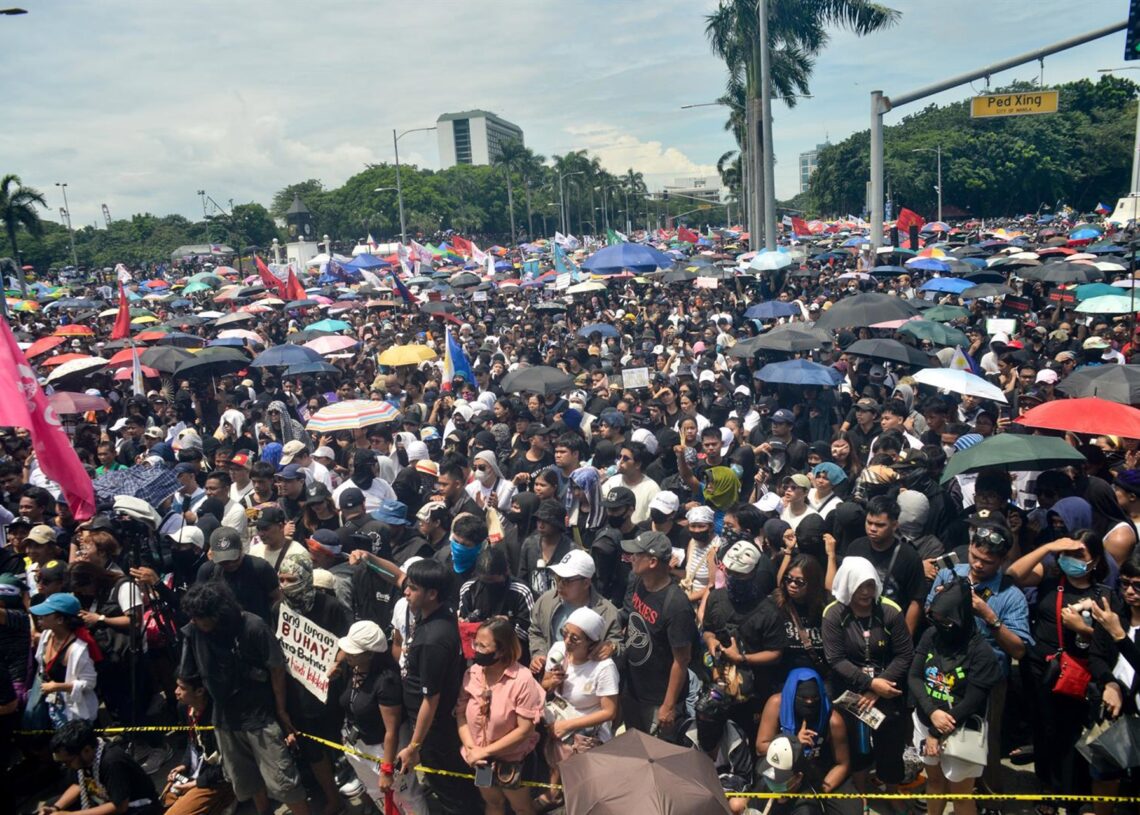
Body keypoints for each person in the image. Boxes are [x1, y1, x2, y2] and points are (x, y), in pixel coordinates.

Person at [179, 581, 311, 815]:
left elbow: (276, 669)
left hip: (260, 718)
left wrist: (281, 711)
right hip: (225, 721)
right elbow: (188, 675)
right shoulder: (195, 632)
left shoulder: (253, 626)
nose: (195, 622)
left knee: (284, 783)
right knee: (247, 781)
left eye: (200, 618)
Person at [1007, 530, 1112, 803]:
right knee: (1043, 731)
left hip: (1078, 675)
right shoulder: (1050, 581)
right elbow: (1015, 574)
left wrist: (1084, 630)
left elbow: (1113, 641)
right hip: (1040, 670)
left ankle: (1073, 793)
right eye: (1066, 554)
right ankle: (1048, 791)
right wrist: (1049, 547)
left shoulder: (1102, 595)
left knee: (1071, 735)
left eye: (1079, 555)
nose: (1070, 560)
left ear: (1095, 560)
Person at [822, 556, 914, 795]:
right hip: (850, 690)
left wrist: (877, 688)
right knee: (857, 744)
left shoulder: (889, 611)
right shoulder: (833, 614)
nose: (865, 592)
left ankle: (892, 789)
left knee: (891, 742)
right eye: (859, 586)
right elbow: (835, 659)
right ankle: (861, 791)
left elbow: (904, 654)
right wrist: (868, 683)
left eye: (870, 585)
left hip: (886, 686)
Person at [909, 580, 1002, 815]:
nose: (940, 625)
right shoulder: (931, 635)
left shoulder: (981, 652)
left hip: (959, 729)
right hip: (926, 720)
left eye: (946, 621)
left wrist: (937, 731)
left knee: (961, 795)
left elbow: (973, 700)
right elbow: (915, 676)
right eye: (935, 619)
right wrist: (931, 713)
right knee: (934, 782)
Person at [396, 558, 468, 815]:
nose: (405, 592)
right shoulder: (442, 613)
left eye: (412, 588)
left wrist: (414, 746)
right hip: (436, 724)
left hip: (434, 730)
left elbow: (431, 699)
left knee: (448, 788)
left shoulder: (432, 640)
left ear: (432, 594)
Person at [455, 618, 543, 815]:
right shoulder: (473, 673)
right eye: (475, 643)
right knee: (492, 803)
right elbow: (460, 714)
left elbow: (525, 730)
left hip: (512, 761)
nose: (476, 649)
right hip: (480, 761)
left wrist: (484, 752)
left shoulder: (522, 679)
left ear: (501, 650)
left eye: (483, 646)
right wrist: (472, 749)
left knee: (521, 807)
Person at [537, 606, 620, 810]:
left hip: (585, 738)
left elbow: (609, 712)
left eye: (575, 638)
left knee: (582, 792)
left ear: (591, 642)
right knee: (556, 765)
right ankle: (554, 791)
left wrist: (568, 725)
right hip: (556, 726)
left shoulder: (604, 668)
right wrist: (549, 684)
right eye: (565, 634)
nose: (567, 641)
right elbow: (543, 687)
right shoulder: (558, 651)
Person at [620, 530, 696, 740]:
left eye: (637, 554)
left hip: (658, 698)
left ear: (652, 562)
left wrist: (668, 706)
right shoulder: (638, 582)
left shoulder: (676, 605)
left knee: (658, 756)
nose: (631, 558)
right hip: (633, 689)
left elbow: (682, 660)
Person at [754, 669, 859, 815]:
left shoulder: (833, 720)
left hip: (819, 771)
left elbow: (842, 764)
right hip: (782, 768)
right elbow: (761, 746)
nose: (809, 703)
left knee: (852, 811)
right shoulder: (776, 704)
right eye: (803, 698)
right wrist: (794, 744)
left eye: (814, 698)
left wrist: (819, 791)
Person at [334, 620, 406, 813]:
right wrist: (337, 663)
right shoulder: (353, 667)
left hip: (380, 751)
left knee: (405, 798)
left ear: (370, 653)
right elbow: (342, 652)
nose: (347, 654)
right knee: (376, 793)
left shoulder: (386, 682)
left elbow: (391, 730)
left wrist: (387, 769)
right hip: (356, 745)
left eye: (353, 651)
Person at [1088, 552, 1140, 815]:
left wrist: (1119, 635)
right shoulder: (1113, 614)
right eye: (1125, 583)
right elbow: (1096, 657)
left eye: (1138, 585)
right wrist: (1110, 684)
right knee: (1105, 773)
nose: (1130, 591)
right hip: (1115, 711)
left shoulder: (1115, 625)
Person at [38, 719, 159, 815]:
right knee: (52, 802)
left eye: (67, 762)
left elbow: (120, 806)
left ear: (86, 750)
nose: (66, 766)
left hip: (136, 807)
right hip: (104, 799)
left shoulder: (112, 761)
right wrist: (56, 808)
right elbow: (78, 785)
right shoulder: (83, 760)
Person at [845, 495, 925, 634]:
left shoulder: (909, 556)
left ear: (894, 525)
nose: (872, 529)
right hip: (856, 628)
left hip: (890, 630)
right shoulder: (855, 547)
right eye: (869, 522)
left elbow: (916, 601)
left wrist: (905, 638)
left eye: (880, 525)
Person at [163, 674, 235, 815]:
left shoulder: (218, 719)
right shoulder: (184, 708)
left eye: (182, 688)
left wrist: (196, 783)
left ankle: (229, 796)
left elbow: (230, 764)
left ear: (200, 691)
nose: (176, 692)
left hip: (216, 778)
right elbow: (193, 742)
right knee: (165, 802)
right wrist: (184, 764)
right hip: (196, 771)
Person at [29, 592, 98, 725]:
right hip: (52, 705)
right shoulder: (46, 635)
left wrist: (59, 686)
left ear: (60, 620)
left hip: (74, 713)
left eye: (45, 615)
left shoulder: (78, 649)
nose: (39, 618)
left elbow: (89, 683)